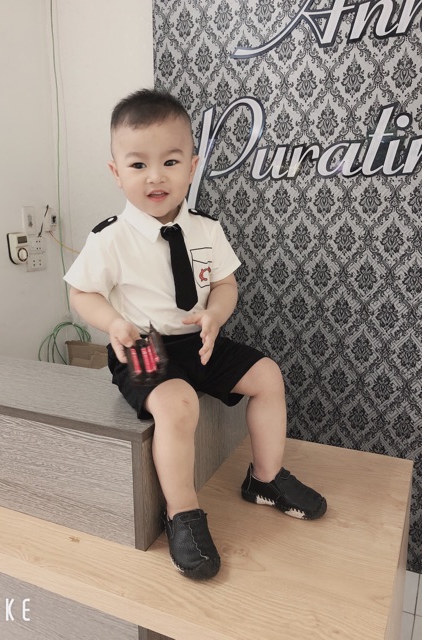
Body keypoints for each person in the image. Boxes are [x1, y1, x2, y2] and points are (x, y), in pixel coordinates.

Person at [64, 88, 327, 581]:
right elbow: (81, 293)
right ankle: (182, 512)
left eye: (170, 161)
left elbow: (225, 284)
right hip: (142, 347)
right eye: (138, 164)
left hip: (199, 339)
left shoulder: (207, 229)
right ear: (116, 172)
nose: (155, 176)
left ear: (192, 166)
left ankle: (265, 478)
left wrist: (216, 315)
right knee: (178, 403)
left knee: (268, 376)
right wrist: (113, 323)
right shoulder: (109, 238)